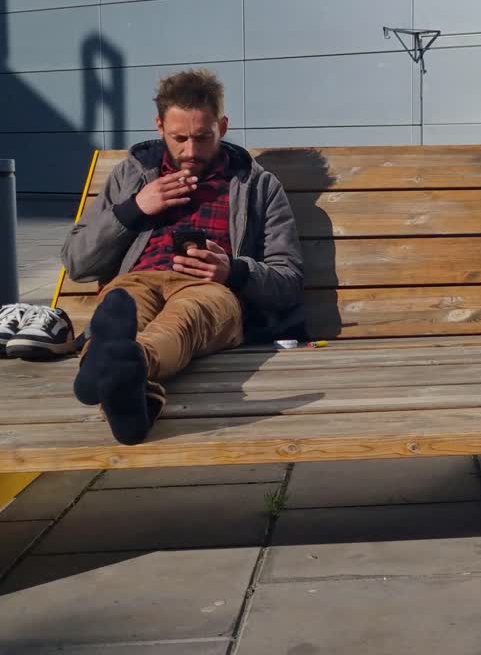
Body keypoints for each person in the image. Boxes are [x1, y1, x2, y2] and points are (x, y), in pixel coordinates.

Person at [61, 68, 304, 445]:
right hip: (136, 281)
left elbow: (288, 282)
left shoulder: (259, 185)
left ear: (222, 126)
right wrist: (134, 209)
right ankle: (132, 392)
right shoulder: (132, 177)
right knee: (120, 309)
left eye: (203, 137)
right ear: (159, 126)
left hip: (209, 289)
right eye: (179, 138)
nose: (191, 151)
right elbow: (77, 262)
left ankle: (119, 367)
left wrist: (233, 271)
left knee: (184, 320)